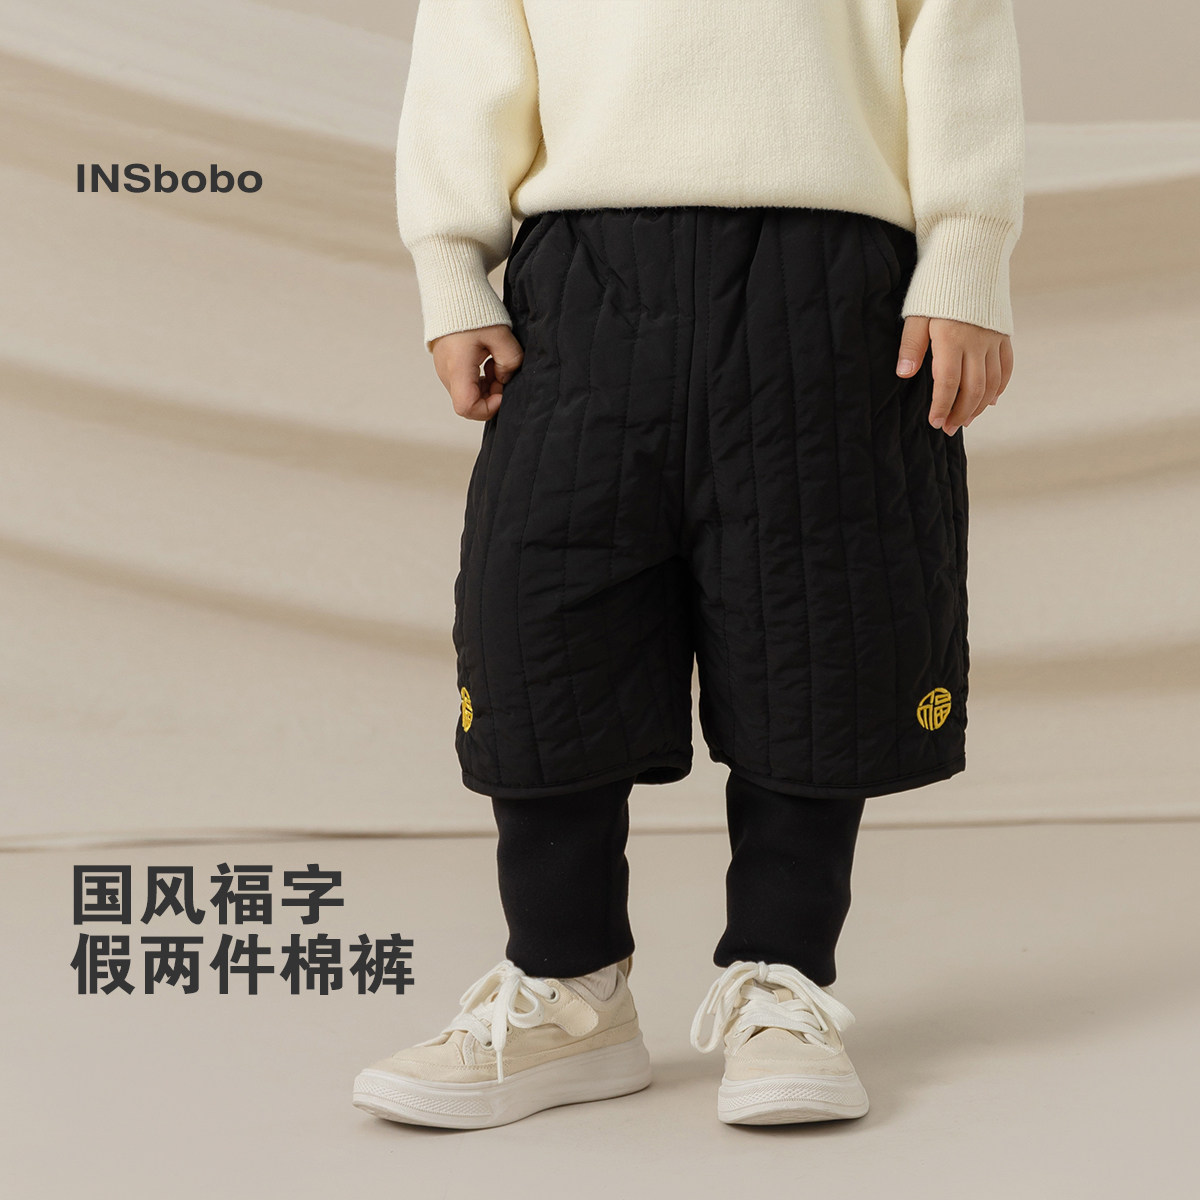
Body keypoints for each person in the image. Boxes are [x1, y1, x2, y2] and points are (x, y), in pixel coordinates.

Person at [352, 0, 1024, 1129]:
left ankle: (781, 986)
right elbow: (469, 44)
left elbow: (958, 32)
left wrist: (967, 256)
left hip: (835, 272)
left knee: (820, 626)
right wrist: (452, 268)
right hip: (582, 276)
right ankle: (568, 994)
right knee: (542, 620)